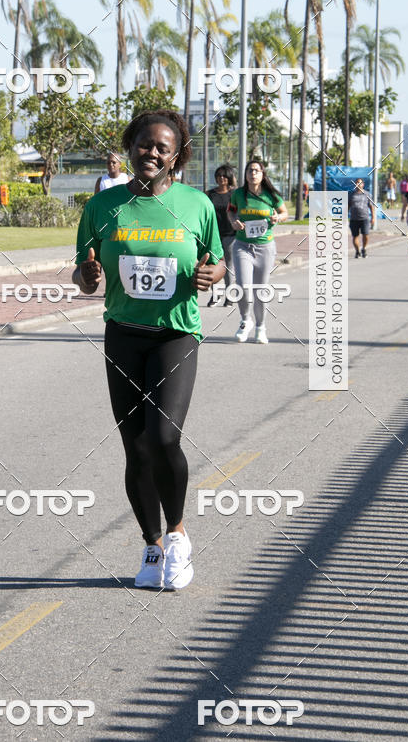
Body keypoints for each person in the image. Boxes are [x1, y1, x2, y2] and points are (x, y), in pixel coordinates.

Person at [73, 109, 225, 591]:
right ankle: (152, 546)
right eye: (144, 144)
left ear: (177, 156)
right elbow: (83, 274)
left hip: (175, 334)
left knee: (163, 438)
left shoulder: (196, 205)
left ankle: (178, 535)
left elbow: (218, 262)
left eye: (163, 147)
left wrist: (213, 274)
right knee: (135, 448)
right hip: (123, 333)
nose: (152, 153)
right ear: (130, 146)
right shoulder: (103, 206)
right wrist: (87, 276)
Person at [228, 160, 288, 344]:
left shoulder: (271, 195)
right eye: (249, 170)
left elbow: (284, 213)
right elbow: (231, 211)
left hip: (265, 247)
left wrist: (278, 217)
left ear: (263, 174)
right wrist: (233, 221)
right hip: (242, 246)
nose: (253, 173)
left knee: (260, 290)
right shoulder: (238, 194)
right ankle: (245, 321)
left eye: (256, 170)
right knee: (243, 286)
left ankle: (261, 327)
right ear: (245, 174)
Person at [205, 164, 237, 306]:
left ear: (229, 177)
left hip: (231, 235)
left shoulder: (234, 195)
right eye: (218, 175)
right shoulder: (209, 194)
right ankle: (215, 295)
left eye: (224, 175)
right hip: (213, 236)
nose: (221, 178)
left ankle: (229, 297)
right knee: (213, 264)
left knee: (229, 267)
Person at [348, 178, 374, 258]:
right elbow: (348, 206)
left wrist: (373, 217)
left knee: (365, 235)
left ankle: (364, 249)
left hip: (364, 218)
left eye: (359, 183)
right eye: (356, 183)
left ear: (363, 184)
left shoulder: (367, 194)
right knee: (355, 236)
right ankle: (357, 251)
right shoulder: (351, 194)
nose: (358, 184)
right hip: (354, 219)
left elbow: (371, 207)